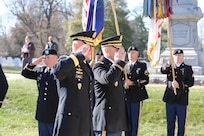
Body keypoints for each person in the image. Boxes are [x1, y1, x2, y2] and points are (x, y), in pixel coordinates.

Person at [52, 31, 95, 136]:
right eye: (88, 46)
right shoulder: (66, 61)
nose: (92, 50)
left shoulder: (86, 66)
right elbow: (57, 71)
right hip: (69, 123)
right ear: (77, 45)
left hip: (84, 122)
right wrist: (78, 56)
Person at [92, 35, 129, 136]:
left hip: (116, 119)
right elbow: (108, 80)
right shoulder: (99, 66)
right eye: (117, 49)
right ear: (107, 49)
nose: (120, 52)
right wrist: (118, 63)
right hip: (106, 120)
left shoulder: (117, 67)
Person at [21, 49, 59, 136]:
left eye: (48, 58)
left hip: (54, 113)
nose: (45, 60)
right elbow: (25, 73)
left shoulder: (60, 72)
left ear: (56, 58)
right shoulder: (42, 71)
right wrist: (35, 63)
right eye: (44, 58)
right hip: (42, 114)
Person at [160, 49, 194, 136]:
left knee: (181, 124)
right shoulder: (170, 67)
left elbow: (190, 82)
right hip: (170, 99)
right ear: (173, 57)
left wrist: (179, 85)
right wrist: (168, 63)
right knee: (170, 123)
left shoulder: (187, 68)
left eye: (180, 55)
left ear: (183, 57)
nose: (178, 57)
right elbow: (163, 70)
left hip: (181, 99)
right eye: (176, 55)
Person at [124, 46, 149, 136]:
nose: (131, 54)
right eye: (130, 52)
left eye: (134, 52)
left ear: (137, 54)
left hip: (137, 96)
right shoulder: (124, 66)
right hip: (126, 96)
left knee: (135, 120)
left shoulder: (142, 65)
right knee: (127, 121)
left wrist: (133, 83)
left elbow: (145, 80)